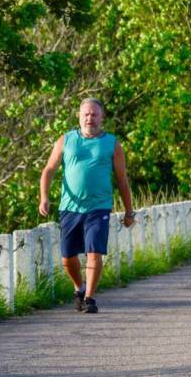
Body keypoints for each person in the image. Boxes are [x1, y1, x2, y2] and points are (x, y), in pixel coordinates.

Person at [38, 98, 135, 314]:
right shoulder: (66, 140)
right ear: (79, 117)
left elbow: (121, 180)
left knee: (94, 252)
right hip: (70, 207)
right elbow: (49, 170)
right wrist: (44, 197)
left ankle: (89, 298)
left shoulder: (112, 143)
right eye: (86, 114)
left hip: (99, 207)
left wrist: (129, 212)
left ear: (102, 118)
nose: (90, 118)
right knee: (67, 257)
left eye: (94, 114)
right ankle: (79, 288)